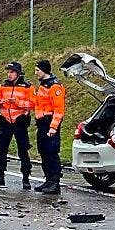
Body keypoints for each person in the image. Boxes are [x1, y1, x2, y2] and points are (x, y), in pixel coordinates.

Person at [0, 61, 34, 189]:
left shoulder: (27, 87)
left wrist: (17, 102)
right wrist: (0, 101)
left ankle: (26, 178)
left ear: (18, 73)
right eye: (8, 72)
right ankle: (0, 177)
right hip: (5, 121)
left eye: (12, 72)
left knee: (23, 150)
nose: (9, 74)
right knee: (1, 150)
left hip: (20, 122)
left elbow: (33, 104)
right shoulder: (2, 86)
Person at [32, 59, 67, 194]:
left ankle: (55, 182)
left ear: (44, 70)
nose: (36, 73)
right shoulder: (44, 85)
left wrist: (53, 127)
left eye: (37, 70)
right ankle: (48, 180)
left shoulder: (54, 87)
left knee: (51, 153)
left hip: (50, 123)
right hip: (42, 123)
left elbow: (59, 110)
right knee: (43, 152)